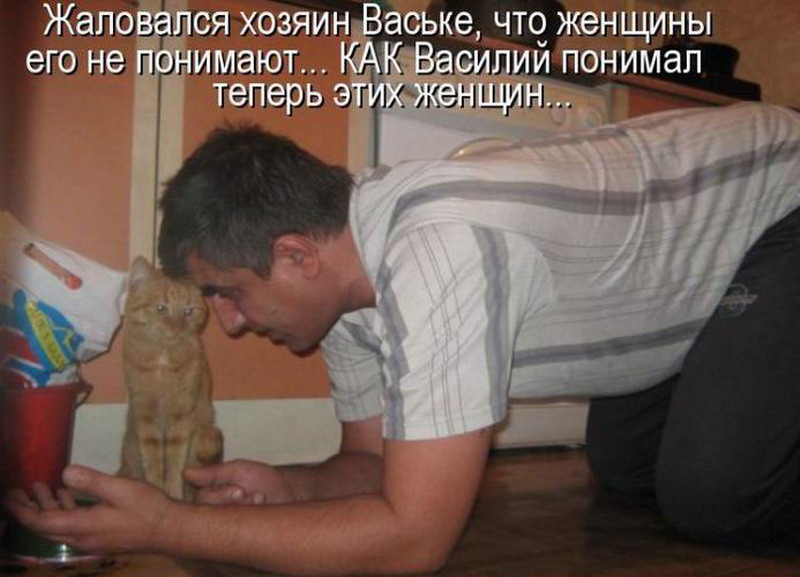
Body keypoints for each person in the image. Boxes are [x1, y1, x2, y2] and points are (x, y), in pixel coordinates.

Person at [5, 102, 800, 574]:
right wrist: (289, 488)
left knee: (714, 498)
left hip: (780, 197)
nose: (230, 320)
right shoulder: (342, 286)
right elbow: (373, 464)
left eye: (230, 292)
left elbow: (416, 538)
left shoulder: (439, 248)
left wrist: (166, 525)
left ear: (295, 254)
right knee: (626, 471)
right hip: (695, 270)